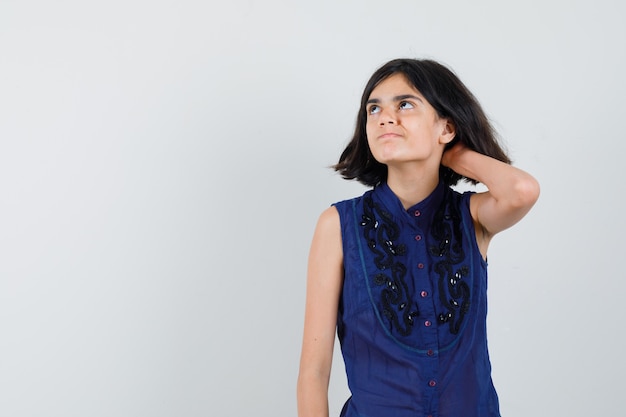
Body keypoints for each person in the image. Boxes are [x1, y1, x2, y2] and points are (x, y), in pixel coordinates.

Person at [297, 58, 540, 417]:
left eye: (405, 104)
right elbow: (314, 372)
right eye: (374, 108)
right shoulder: (338, 224)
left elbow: (521, 190)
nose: (385, 117)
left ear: (446, 126)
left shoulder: (472, 217)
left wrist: (455, 153)